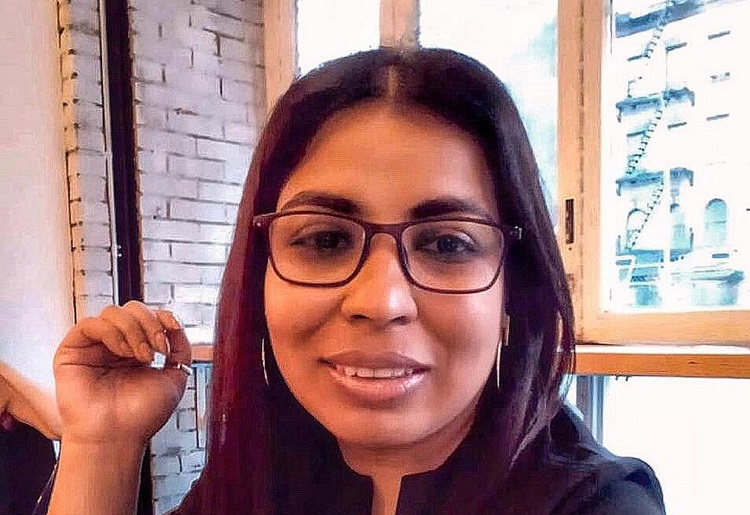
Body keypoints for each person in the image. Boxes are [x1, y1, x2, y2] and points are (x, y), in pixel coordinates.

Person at [48, 48, 665, 515]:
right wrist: (101, 443)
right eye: (324, 240)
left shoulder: (596, 504)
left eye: (447, 245)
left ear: (513, 295)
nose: (380, 301)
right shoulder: (262, 476)